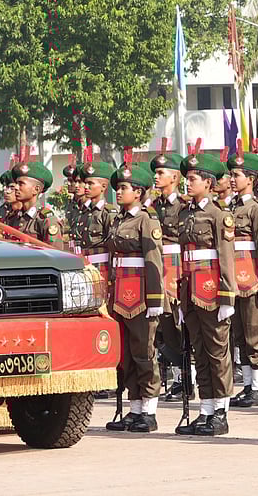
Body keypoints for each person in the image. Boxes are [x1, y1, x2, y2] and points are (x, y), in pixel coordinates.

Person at [173, 154, 237, 436]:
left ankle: (221, 411)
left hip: (211, 291)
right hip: (190, 291)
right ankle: (206, 408)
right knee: (199, 351)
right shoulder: (186, 214)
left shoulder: (219, 215)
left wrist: (227, 297)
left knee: (217, 352)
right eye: (187, 179)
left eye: (193, 179)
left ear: (208, 183)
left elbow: (226, 259)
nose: (188, 183)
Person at [104, 162, 165, 433]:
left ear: (138, 193)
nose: (119, 191)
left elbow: (154, 262)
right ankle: (135, 407)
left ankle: (149, 410)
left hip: (140, 295)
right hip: (120, 295)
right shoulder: (119, 219)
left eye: (124, 188)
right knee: (126, 354)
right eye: (118, 187)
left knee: (144, 353)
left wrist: (154, 301)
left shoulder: (146, 221)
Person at [225, 151, 258, 408]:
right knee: (240, 335)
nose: (232, 179)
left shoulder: (256, 209)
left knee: (256, 334)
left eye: (237, 175)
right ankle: (247, 386)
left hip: (253, 280)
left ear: (251, 179)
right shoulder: (231, 207)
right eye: (231, 174)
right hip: (234, 280)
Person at [149, 153, 189, 402]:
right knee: (165, 327)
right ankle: (177, 376)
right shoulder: (154, 207)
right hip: (159, 265)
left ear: (174, 177)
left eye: (161, 172)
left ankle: (187, 376)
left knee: (180, 322)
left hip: (178, 266)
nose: (156, 176)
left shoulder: (183, 206)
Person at [6, 162, 63, 249]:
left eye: (21, 184)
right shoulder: (14, 217)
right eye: (16, 183)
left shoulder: (45, 219)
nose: (16, 187)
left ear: (36, 189)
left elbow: (56, 255)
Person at [77, 161, 118, 282]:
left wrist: (112, 276)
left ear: (104, 187)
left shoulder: (108, 212)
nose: (86, 187)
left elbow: (113, 248)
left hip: (101, 269)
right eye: (86, 183)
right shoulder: (84, 212)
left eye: (90, 184)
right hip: (83, 267)